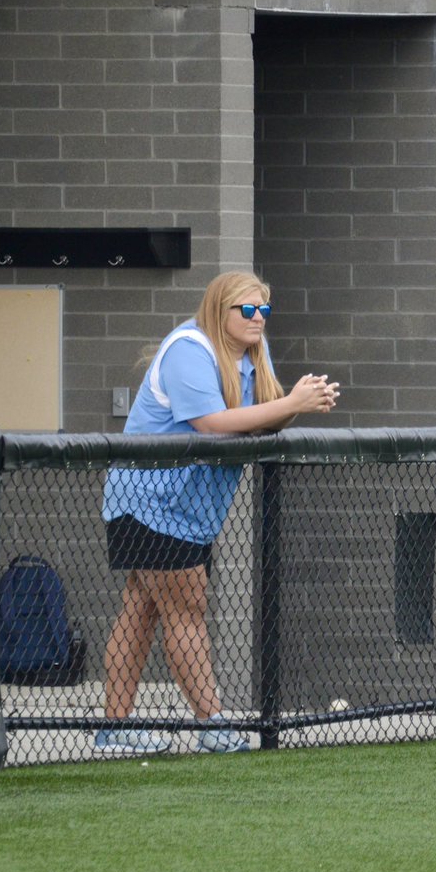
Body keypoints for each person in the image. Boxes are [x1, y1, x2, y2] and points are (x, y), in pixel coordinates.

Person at [97, 271, 340, 754]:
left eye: (263, 311)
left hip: (191, 509)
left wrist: (298, 404)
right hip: (150, 502)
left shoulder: (253, 350)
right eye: (247, 310)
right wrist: (292, 402)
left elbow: (262, 417)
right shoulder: (190, 348)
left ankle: (113, 727)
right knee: (187, 606)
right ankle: (212, 725)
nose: (257, 319)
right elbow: (211, 425)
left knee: (141, 610)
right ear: (220, 311)